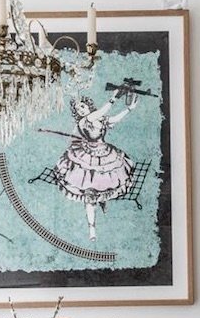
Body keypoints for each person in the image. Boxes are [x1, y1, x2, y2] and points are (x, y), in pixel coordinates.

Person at [42, 92, 136, 241]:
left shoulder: (100, 119)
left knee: (107, 184)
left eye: (83, 106)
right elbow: (101, 111)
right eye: (78, 109)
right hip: (87, 158)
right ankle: (92, 229)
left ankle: (102, 201)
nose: (81, 110)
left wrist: (129, 108)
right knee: (89, 194)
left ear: (88, 106)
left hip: (105, 154)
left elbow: (114, 119)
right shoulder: (84, 121)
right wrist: (114, 97)